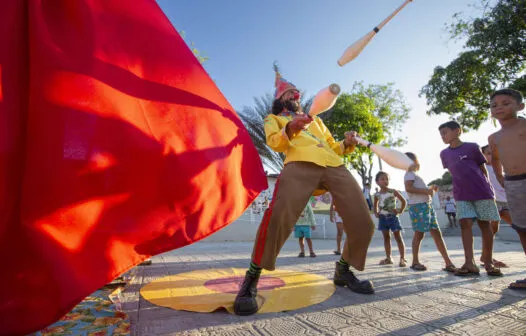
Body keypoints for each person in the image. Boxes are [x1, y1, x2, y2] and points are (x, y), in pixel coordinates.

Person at [234, 66, 375, 316]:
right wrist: (291, 128)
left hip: (334, 166)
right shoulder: (274, 119)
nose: (294, 95)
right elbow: (274, 142)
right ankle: (252, 278)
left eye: (296, 92)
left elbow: (334, 147)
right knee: (277, 217)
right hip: (298, 165)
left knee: (363, 222)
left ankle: (343, 270)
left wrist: (347, 143)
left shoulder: (317, 120)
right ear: (280, 100)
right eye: (288, 93)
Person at [439, 121, 502, 277]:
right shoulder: (444, 154)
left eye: (445, 132)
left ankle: (488, 262)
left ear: (458, 131)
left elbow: (482, 169)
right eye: (440, 134)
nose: (442, 136)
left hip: (482, 192)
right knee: (464, 224)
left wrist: (490, 189)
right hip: (461, 195)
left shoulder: (472, 147)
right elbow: (455, 173)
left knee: (485, 225)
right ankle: (469, 263)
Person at [487, 88, 526, 290]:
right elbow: (495, 158)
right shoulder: (494, 137)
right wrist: (501, 177)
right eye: (494, 105)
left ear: (520, 106)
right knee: (522, 229)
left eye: (505, 103)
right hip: (513, 183)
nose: (499, 107)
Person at [404, 152, 457, 273]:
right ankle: (415, 261)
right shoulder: (409, 175)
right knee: (419, 234)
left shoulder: (414, 175)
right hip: (418, 207)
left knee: (436, 233)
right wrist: (427, 191)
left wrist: (430, 190)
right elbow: (408, 188)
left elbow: (418, 189)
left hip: (426, 207)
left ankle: (448, 262)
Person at [481, 144, 512, 268]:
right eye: (488, 153)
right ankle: (487, 257)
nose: (492, 156)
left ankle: (485, 256)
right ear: (482, 155)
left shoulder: (501, 167)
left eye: (494, 154)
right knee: (492, 229)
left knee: (495, 229)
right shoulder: (483, 168)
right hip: (492, 201)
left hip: (506, 200)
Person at [373, 171, 407, 267]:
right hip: (383, 219)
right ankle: (389, 258)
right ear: (377, 182)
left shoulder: (393, 191)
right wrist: (376, 213)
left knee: (398, 238)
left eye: (387, 179)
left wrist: (400, 210)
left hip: (393, 217)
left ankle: (402, 259)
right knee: (386, 238)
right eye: (382, 179)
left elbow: (404, 201)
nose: (385, 181)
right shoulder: (377, 195)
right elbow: (375, 205)